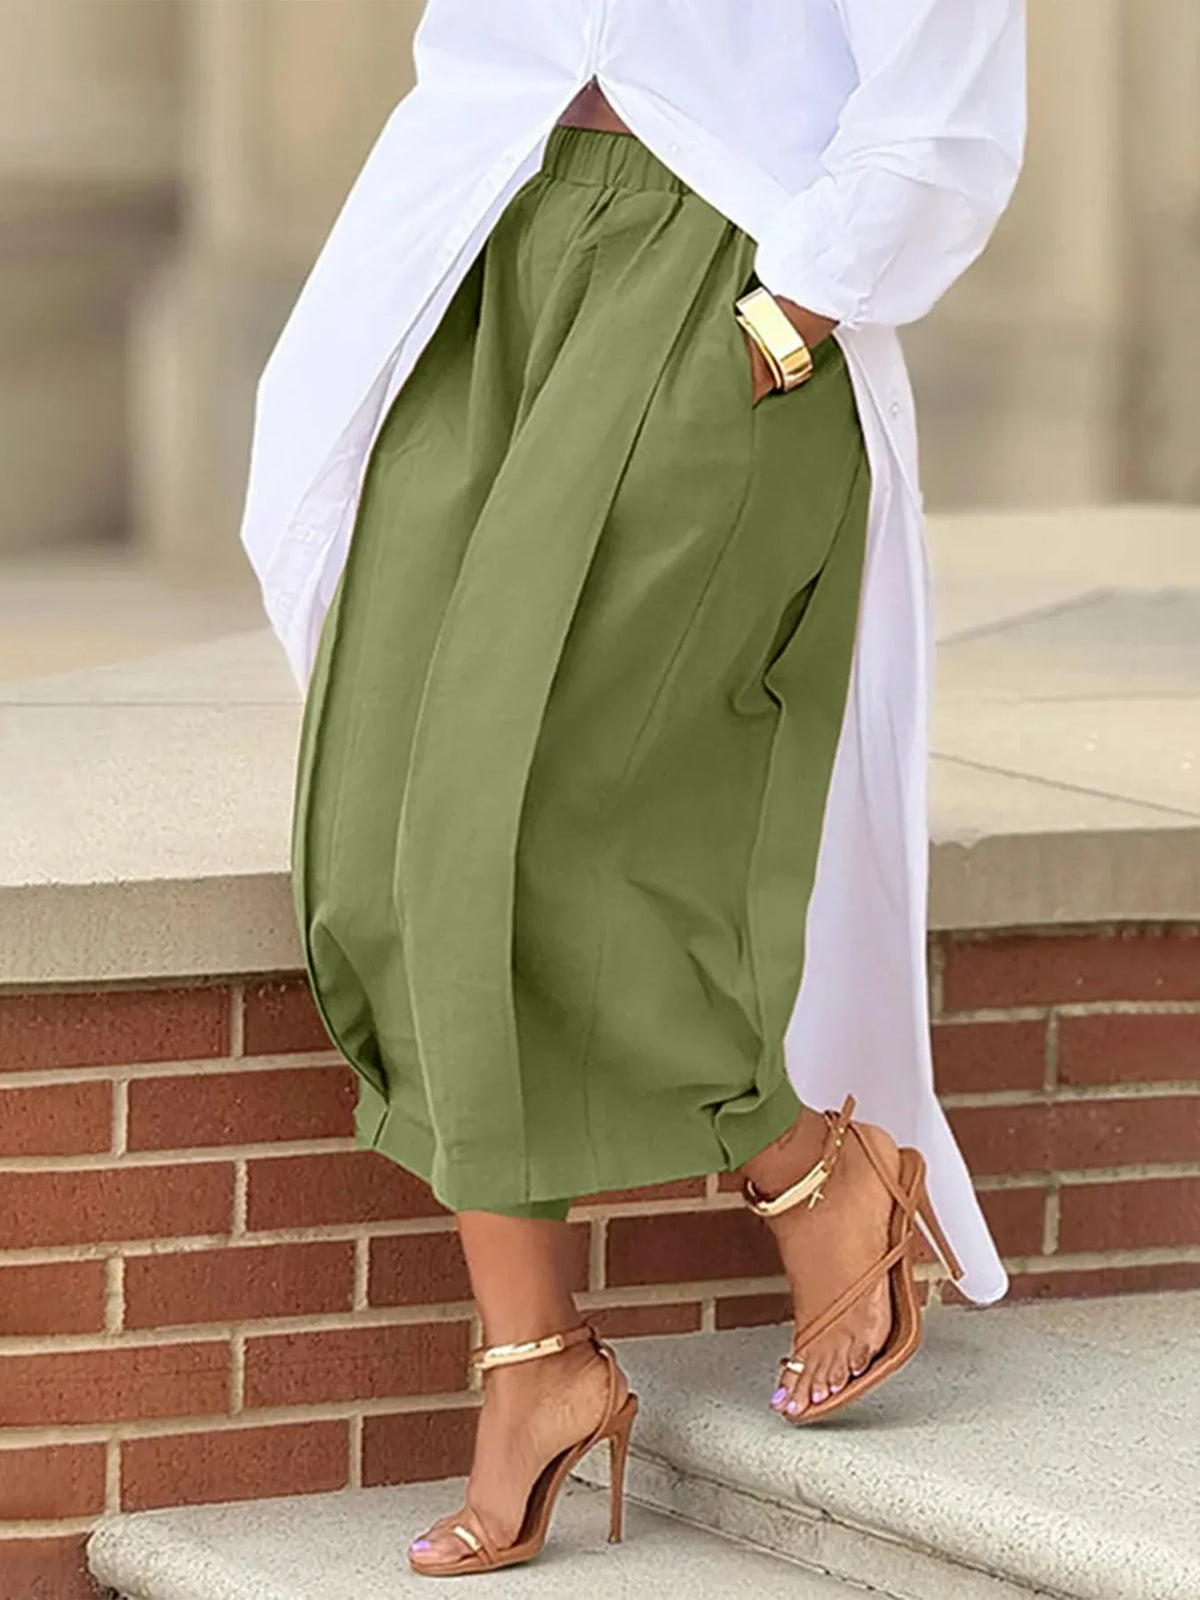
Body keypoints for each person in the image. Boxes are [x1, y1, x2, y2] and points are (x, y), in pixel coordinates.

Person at [239, 0, 1026, 1579]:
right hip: (483, 227)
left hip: (723, 263)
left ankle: (805, 1165)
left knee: (540, 806)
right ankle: (544, 1366)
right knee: (390, 829)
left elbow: (950, 71)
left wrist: (796, 303)